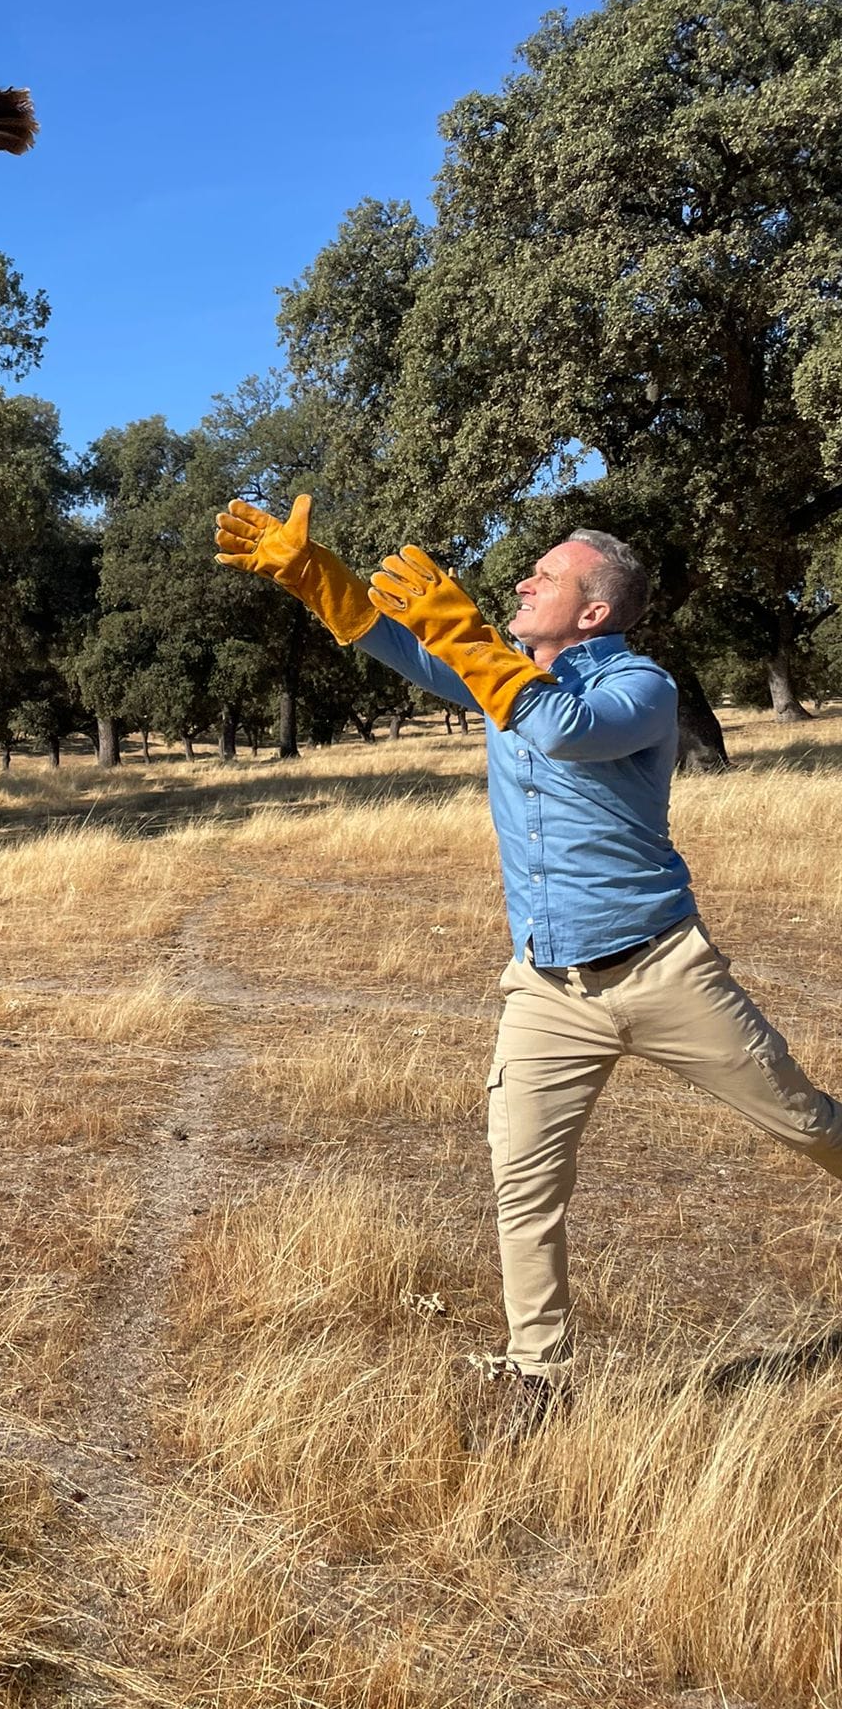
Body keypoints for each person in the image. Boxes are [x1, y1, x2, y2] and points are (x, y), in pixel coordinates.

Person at [215, 496, 842, 1440]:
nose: (521, 582)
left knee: (804, 1123)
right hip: (547, 988)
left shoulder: (642, 688)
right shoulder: (499, 675)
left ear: (594, 610)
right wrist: (318, 579)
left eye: (544, 577)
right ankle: (539, 1375)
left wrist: (463, 628)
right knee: (524, 1179)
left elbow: (555, 726)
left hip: (663, 972)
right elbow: (404, 648)